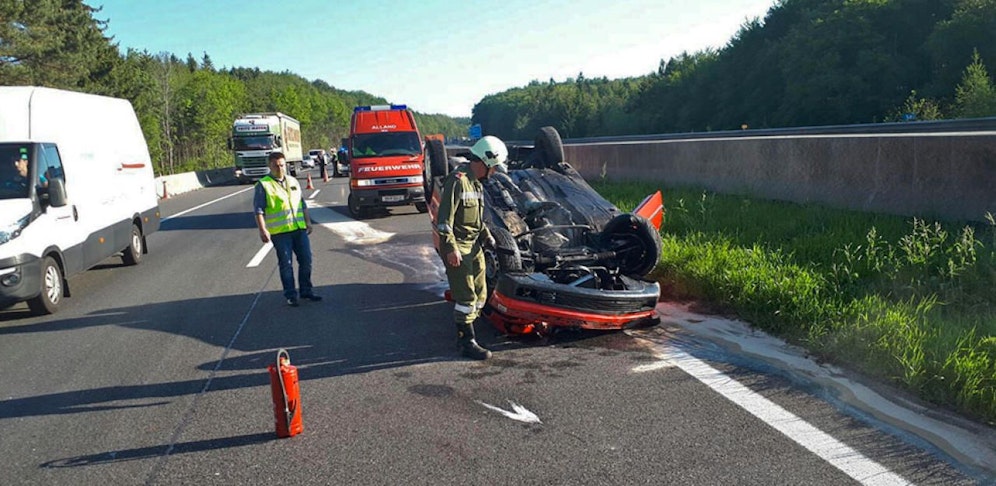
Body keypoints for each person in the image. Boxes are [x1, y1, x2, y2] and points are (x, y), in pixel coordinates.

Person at [435, 135, 508, 360]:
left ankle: (470, 330)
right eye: (493, 168)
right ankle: (466, 341)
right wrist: (450, 249)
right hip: (460, 248)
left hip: (474, 247)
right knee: (466, 298)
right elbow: (444, 220)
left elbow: (477, 220)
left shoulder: (476, 184)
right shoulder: (457, 181)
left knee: (480, 294)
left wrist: (487, 237)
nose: (494, 172)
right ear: (485, 162)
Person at [254, 151, 322, 307]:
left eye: (282, 165)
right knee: (286, 264)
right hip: (281, 232)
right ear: (269, 166)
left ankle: (306, 290)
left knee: (306, 260)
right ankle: (291, 295)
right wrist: (263, 230)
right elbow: (258, 210)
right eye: (275, 165)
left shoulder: (293, 181)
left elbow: (301, 203)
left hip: (299, 229)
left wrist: (308, 221)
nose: (279, 168)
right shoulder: (263, 185)